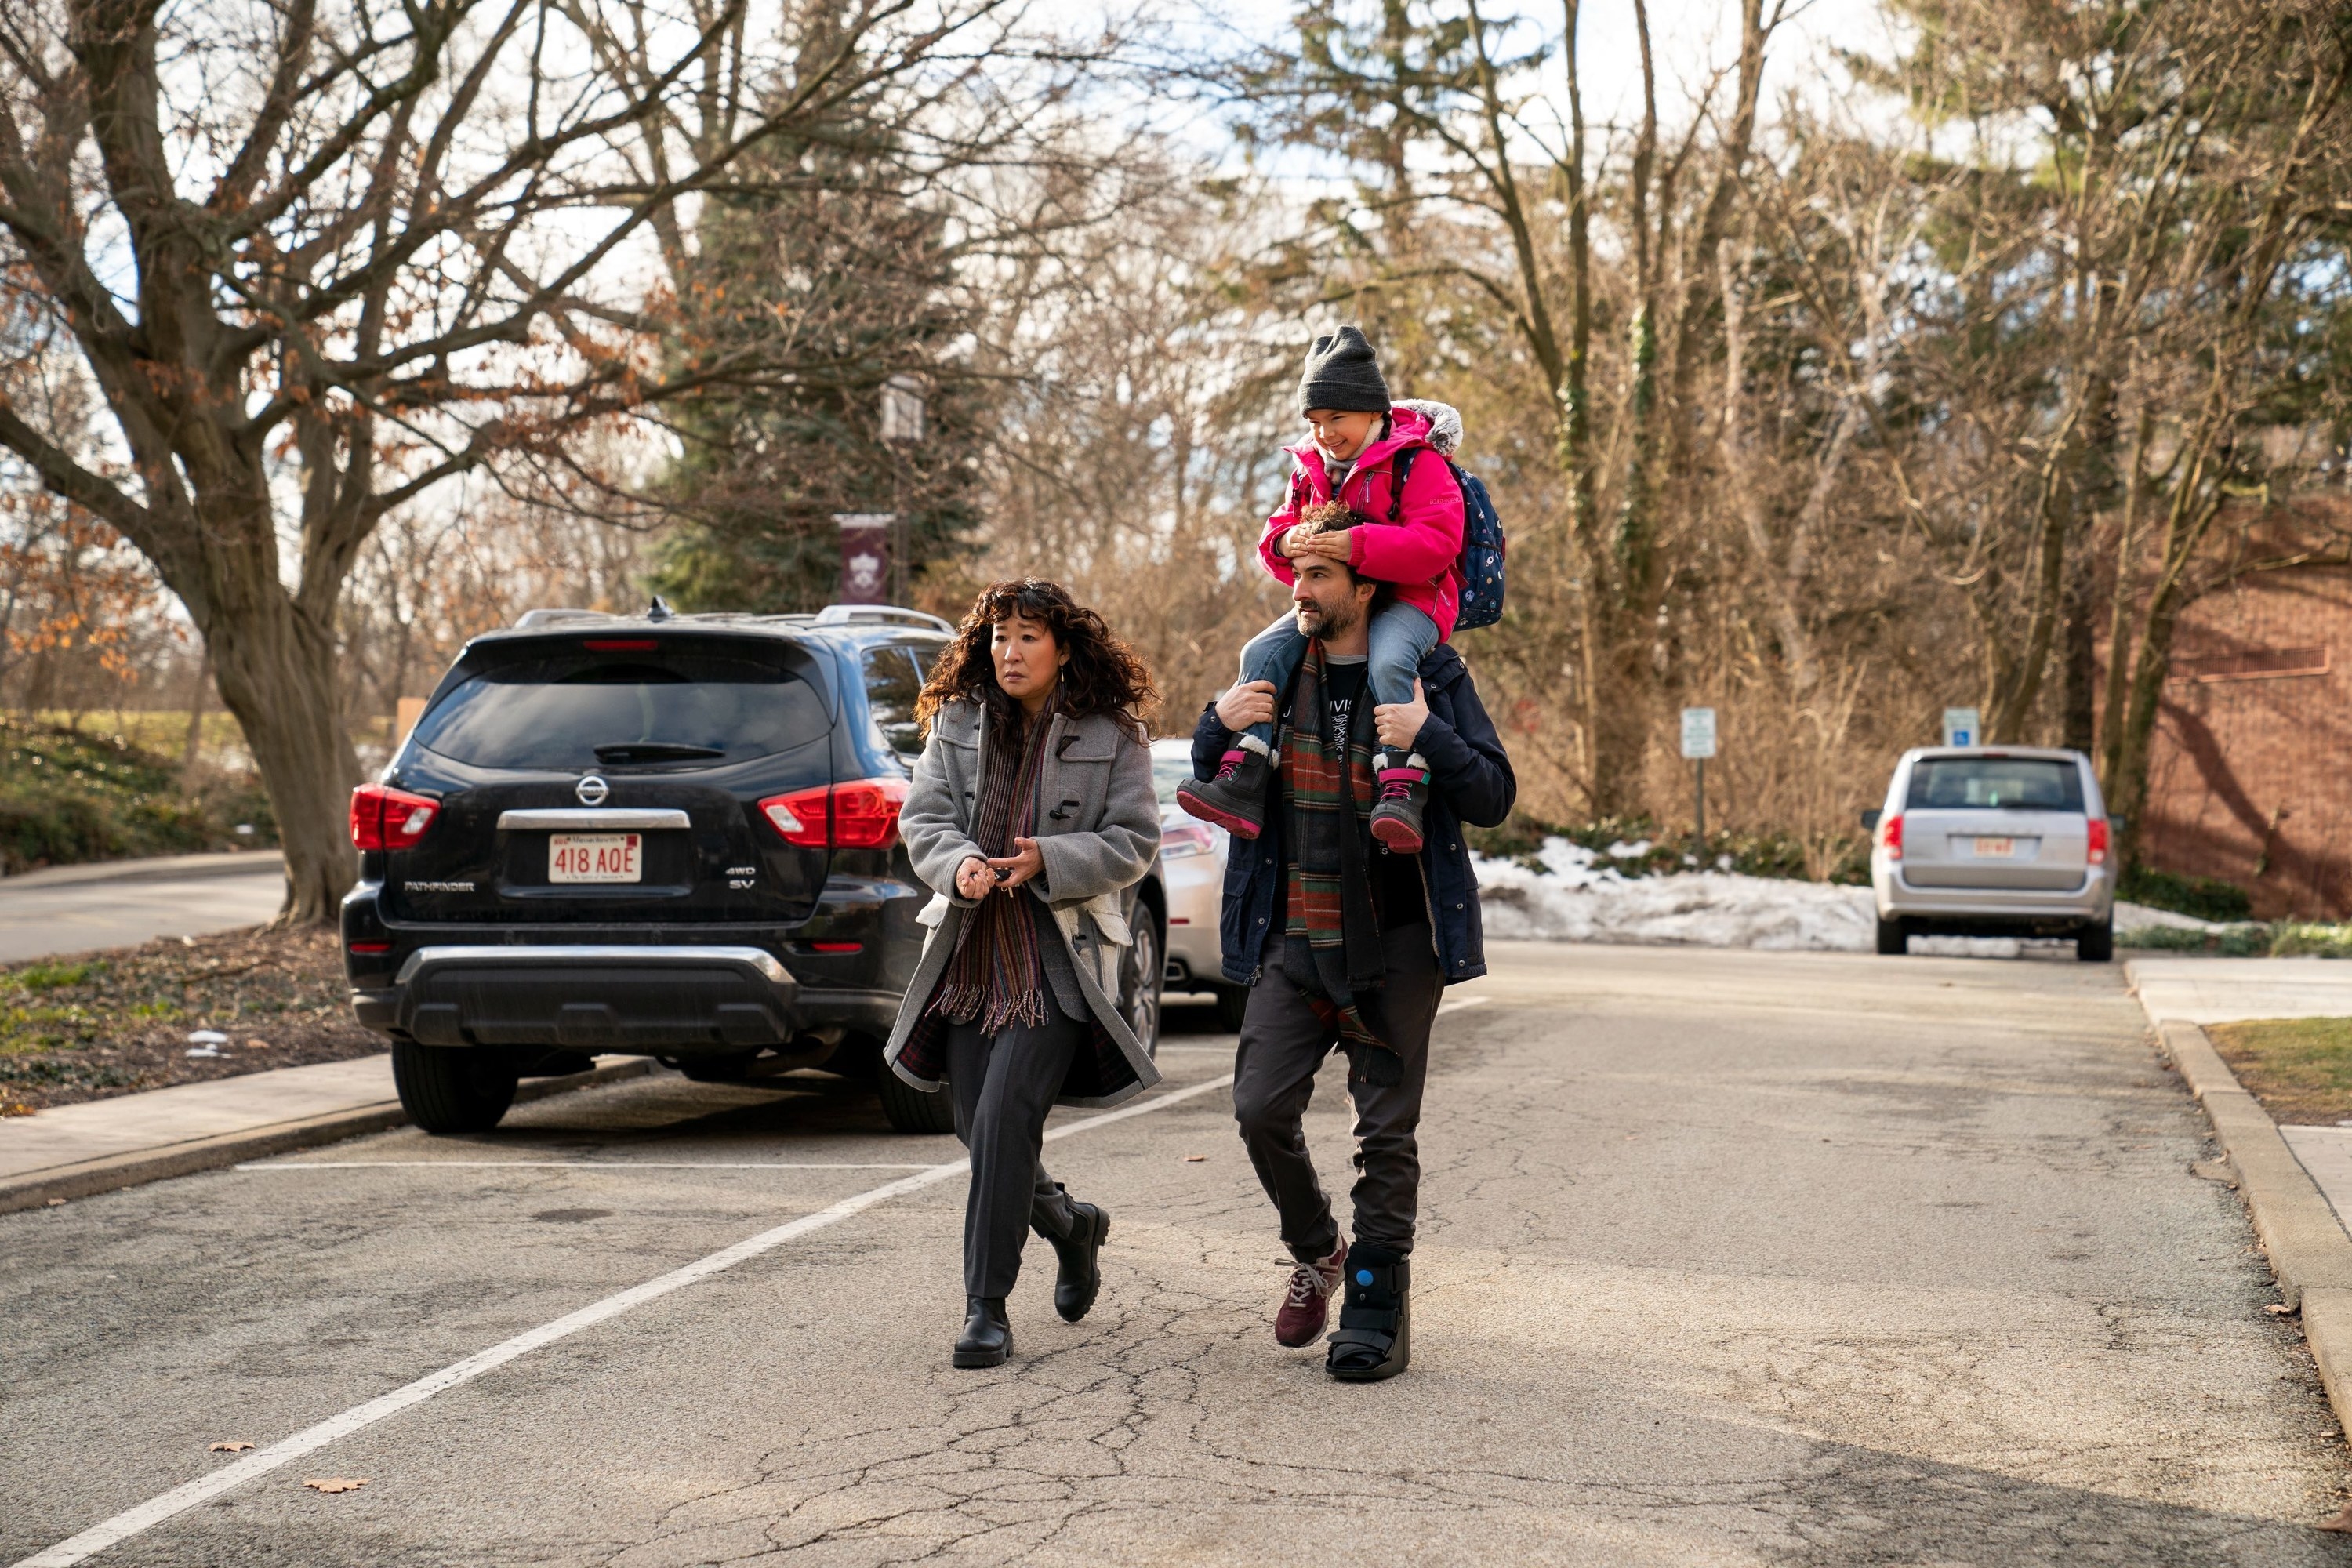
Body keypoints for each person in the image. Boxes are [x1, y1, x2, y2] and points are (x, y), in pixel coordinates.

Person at [1193, 547, 1514, 1381]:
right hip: (1292, 936)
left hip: (1400, 945)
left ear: (1365, 586)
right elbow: (1212, 778)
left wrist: (1428, 735)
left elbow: (1492, 794)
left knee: (1385, 1131)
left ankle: (1373, 1306)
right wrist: (1215, 720)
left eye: (1321, 576)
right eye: (1296, 575)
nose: (1300, 590)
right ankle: (1319, 1249)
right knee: (1259, 1106)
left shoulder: (1429, 674)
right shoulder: (1269, 666)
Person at [884, 581, 1163, 1369]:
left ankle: (986, 1309)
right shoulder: (958, 723)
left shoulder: (1115, 731)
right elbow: (924, 820)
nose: (1010, 651)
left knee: (1005, 1118)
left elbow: (1136, 838)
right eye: (1000, 635)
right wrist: (960, 862)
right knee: (981, 1131)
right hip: (971, 957)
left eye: (1029, 637)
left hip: (1058, 958)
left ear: (1063, 648)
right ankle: (1075, 1227)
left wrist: (1053, 858)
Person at [1178, 325, 1468, 856]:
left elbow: (1438, 544)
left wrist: (1354, 547)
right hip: (1336, 595)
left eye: (1337, 418)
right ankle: (1247, 766)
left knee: (1388, 662)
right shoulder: (1311, 469)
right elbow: (1275, 534)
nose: (1324, 434)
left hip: (1413, 599)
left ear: (1372, 411)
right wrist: (1290, 540)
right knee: (1259, 652)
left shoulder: (1416, 462)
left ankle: (1402, 780)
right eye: (1314, 422)